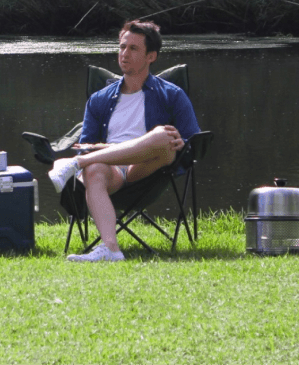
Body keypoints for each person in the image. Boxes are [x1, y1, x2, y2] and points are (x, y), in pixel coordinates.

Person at [48, 19, 200, 262]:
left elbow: (193, 139)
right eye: (122, 47)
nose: (124, 54)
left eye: (133, 49)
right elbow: (85, 145)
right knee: (94, 168)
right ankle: (111, 249)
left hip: (149, 169)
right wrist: (99, 153)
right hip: (114, 174)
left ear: (151, 56)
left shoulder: (172, 94)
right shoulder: (98, 100)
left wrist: (184, 144)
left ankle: (74, 166)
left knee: (163, 136)